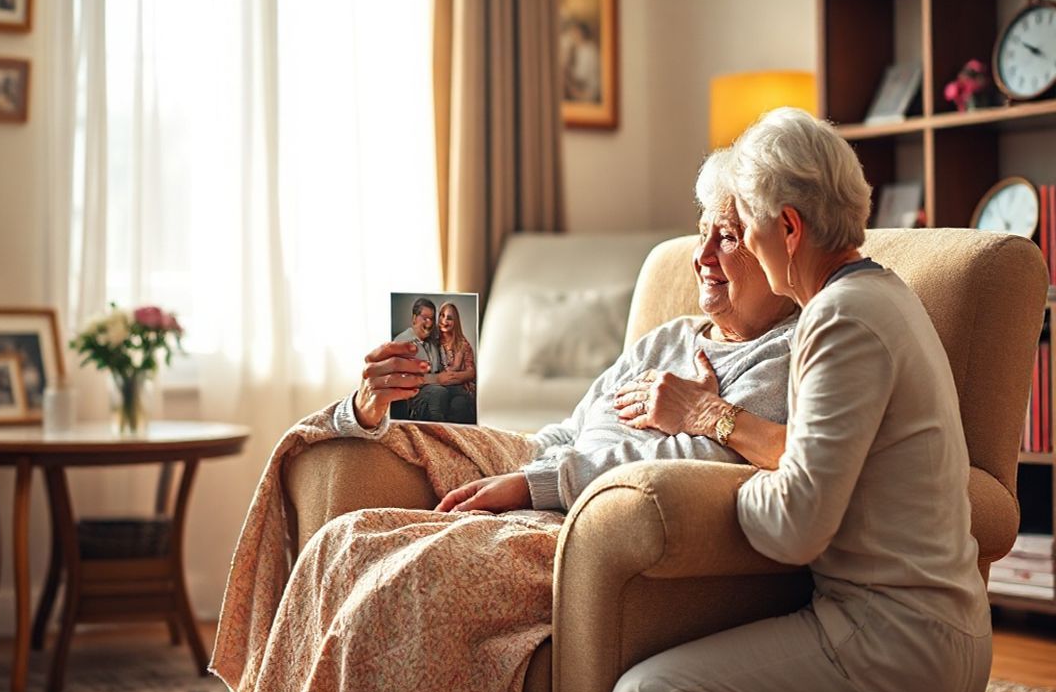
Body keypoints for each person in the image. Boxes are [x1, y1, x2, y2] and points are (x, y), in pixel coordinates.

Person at [615, 108, 991, 692]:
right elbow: (819, 464)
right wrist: (719, 419)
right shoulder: (884, 295)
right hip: (941, 628)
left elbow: (795, 526)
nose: (745, 248)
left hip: (890, 639)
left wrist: (716, 483)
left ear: (788, 229)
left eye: (746, 228)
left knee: (646, 689)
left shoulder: (839, 319)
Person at [337, 185, 798, 513]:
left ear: (777, 247)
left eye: (729, 238)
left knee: (400, 578)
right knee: (349, 542)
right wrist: (385, 415)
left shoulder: (783, 353)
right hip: (541, 494)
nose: (701, 257)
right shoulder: (669, 336)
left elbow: (707, 471)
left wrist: (531, 486)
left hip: (576, 527)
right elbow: (565, 434)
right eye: (702, 234)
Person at [388, 297, 447, 421]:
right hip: (412, 395)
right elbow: (401, 379)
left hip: (434, 388)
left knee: (462, 396)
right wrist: (436, 379)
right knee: (438, 393)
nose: (429, 323)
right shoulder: (401, 342)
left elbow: (438, 369)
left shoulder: (432, 343)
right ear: (414, 318)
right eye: (425, 318)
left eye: (432, 318)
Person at [435, 301, 476, 424]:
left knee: (459, 405)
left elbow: (471, 372)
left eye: (449, 318)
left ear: (455, 322)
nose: (444, 321)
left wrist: (454, 377)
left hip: (460, 388)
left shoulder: (462, 344)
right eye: (442, 315)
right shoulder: (433, 341)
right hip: (439, 387)